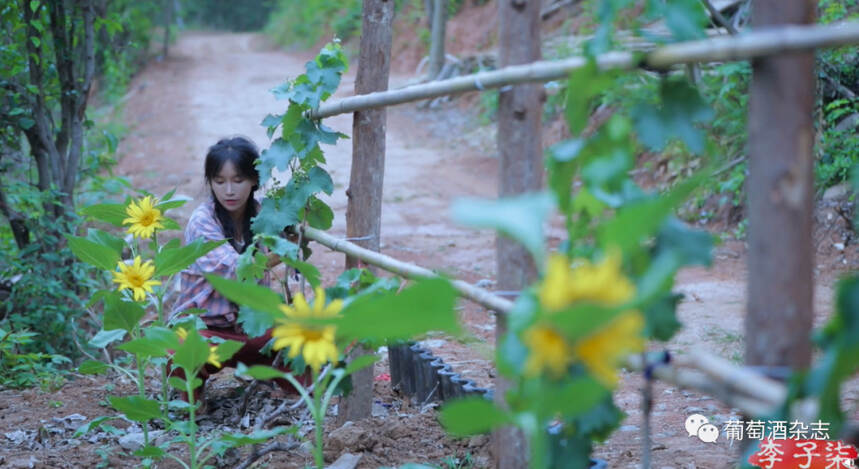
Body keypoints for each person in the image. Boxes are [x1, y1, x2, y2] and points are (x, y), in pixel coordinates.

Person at [170, 136, 300, 409]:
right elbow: (236, 273)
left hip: (253, 329)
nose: (229, 190)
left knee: (302, 335)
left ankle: (293, 394)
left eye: (238, 180)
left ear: (254, 180)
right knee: (182, 346)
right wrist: (282, 252)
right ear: (211, 183)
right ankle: (191, 403)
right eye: (220, 181)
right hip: (207, 331)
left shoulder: (264, 215)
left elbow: (296, 234)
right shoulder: (202, 222)